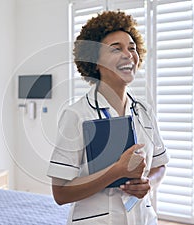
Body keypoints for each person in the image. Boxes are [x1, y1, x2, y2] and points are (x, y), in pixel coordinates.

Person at [47, 11, 169, 225]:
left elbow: (159, 165)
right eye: (116, 49)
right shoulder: (77, 114)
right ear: (95, 62)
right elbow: (61, 193)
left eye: (132, 48)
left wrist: (148, 182)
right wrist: (115, 172)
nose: (128, 54)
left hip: (143, 219)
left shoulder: (144, 111)